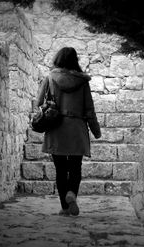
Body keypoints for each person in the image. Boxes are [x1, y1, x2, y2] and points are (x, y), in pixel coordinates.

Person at [36, 47, 101, 216]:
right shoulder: (82, 82)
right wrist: (96, 131)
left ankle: (65, 207)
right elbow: (89, 110)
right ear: (75, 61)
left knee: (60, 169)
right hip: (77, 128)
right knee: (75, 167)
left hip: (56, 127)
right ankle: (72, 193)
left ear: (58, 59)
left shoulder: (50, 77)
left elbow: (38, 102)